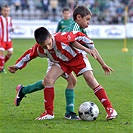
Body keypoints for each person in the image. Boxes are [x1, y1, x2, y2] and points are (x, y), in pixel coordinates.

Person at [8, 27, 117, 121]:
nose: (48, 48)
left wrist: (90, 49)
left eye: (49, 44)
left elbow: (79, 36)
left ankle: (110, 109)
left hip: (77, 58)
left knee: (89, 79)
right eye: (45, 46)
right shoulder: (40, 49)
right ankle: (49, 113)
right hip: (61, 62)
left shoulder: (62, 38)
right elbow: (28, 55)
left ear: (51, 37)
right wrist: (17, 66)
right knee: (48, 80)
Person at [0, 5, 14, 73]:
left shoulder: (10, 19)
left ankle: (1, 64)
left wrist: (12, 29)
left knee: (10, 53)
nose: (6, 12)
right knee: (1, 53)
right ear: (2, 11)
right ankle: (1, 68)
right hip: (1, 39)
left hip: (8, 40)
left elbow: (9, 28)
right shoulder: (0, 19)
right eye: (5, 10)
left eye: (7, 11)